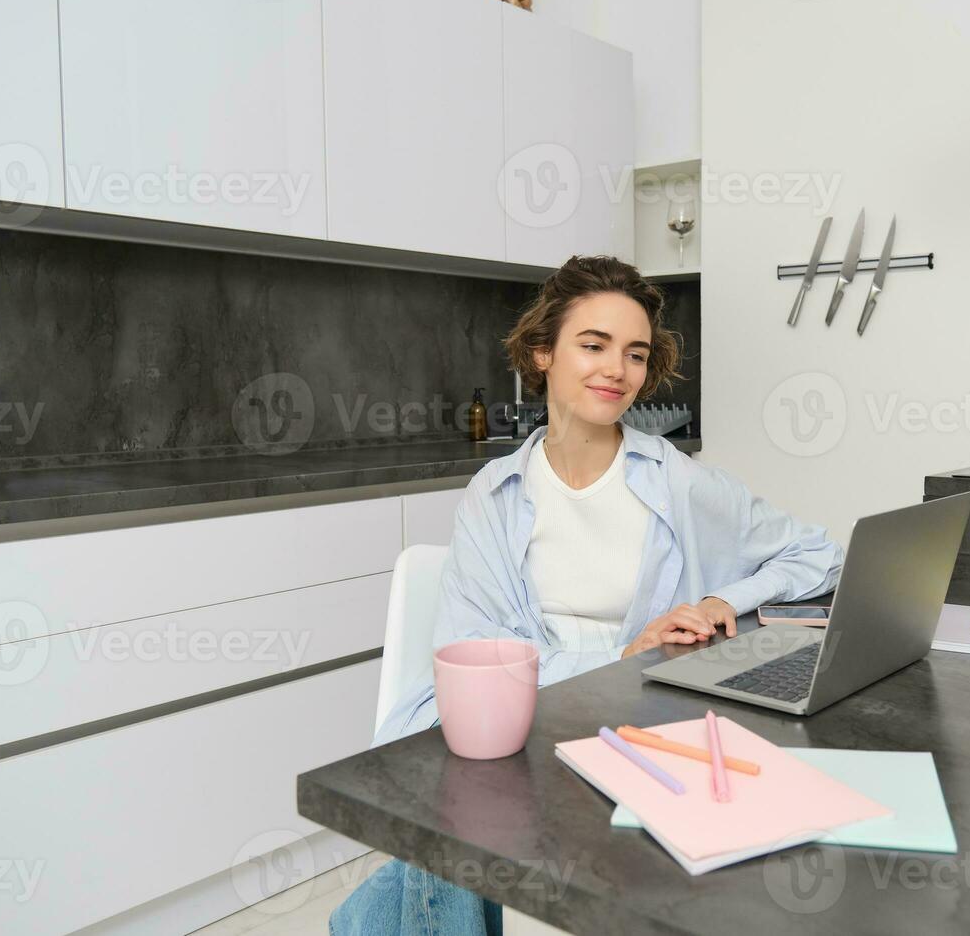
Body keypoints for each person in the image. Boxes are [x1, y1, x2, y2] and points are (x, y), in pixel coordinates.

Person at [330, 255, 844, 936]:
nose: (616, 370)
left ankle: (358, 923)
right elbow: (479, 659)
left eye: (634, 354)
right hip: (514, 714)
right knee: (459, 784)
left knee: (451, 813)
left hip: (634, 721)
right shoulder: (496, 492)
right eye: (593, 345)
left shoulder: (677, 481)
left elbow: (819, 554)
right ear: (543, 352)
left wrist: (726, 598)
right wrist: (621, 653)